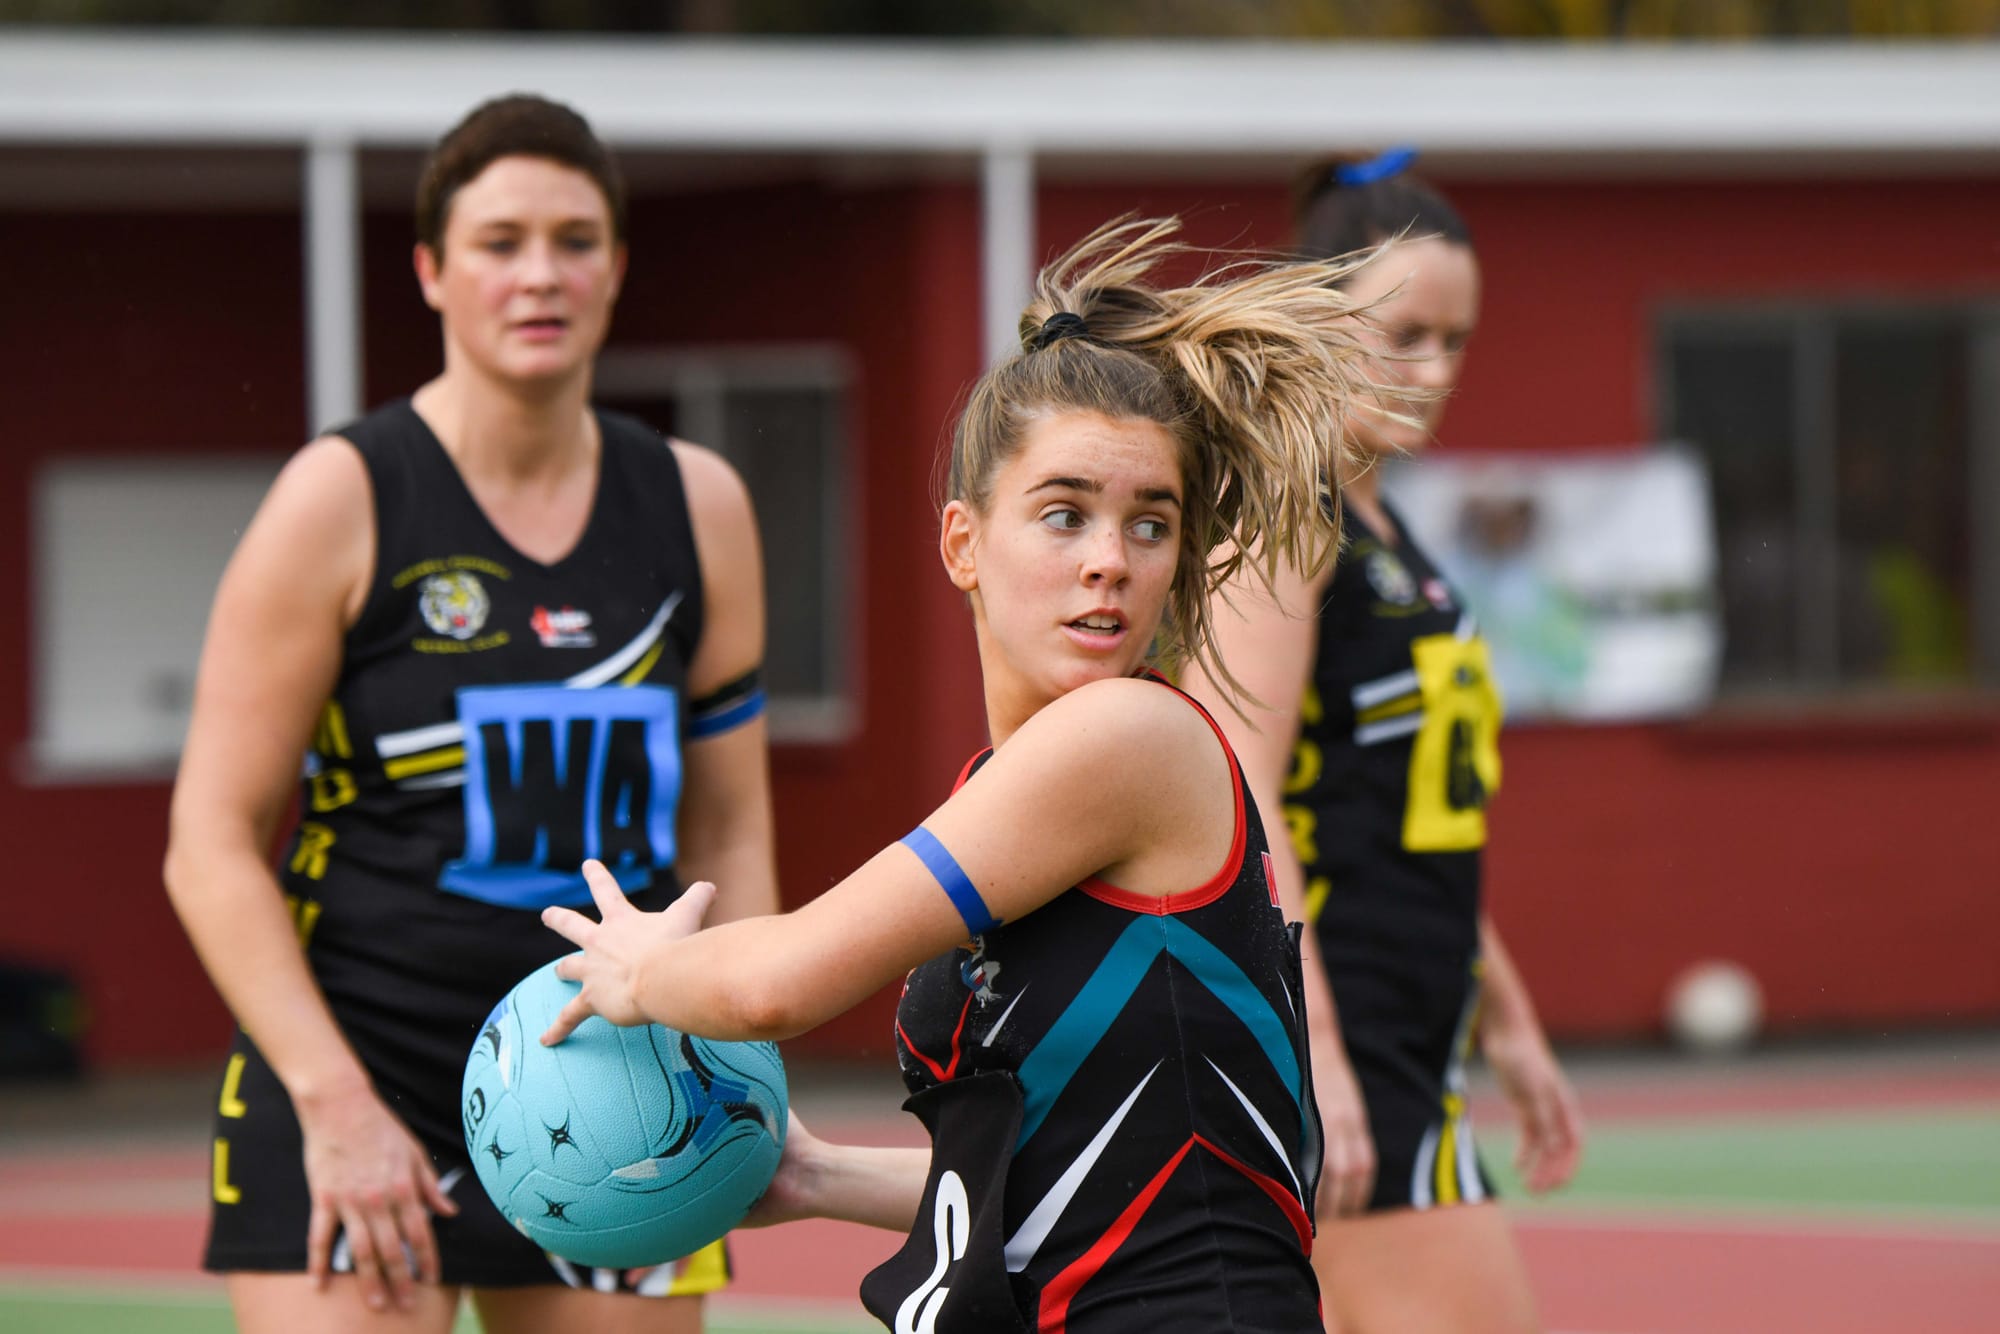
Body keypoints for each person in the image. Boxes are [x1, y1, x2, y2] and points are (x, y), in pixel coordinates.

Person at [538, 217, 1385, 1333]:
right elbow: (1062, 1177)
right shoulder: (1009, 790)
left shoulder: (1128, 741)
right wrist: (811, 1175)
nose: (1106, 558)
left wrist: (644, 973)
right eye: (1063, 511)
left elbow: (772, 984)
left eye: (1150, 522)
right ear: (960, 543)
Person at [163, 93, 777, 1334]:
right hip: (355, 1062)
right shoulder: (341, 496)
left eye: (574, 238)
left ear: (615, 265)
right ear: (433, 272)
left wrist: (737, 1061)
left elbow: (726, 835)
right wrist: (331, 1102)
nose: (539, 274)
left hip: (625, 1072)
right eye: (500, 242)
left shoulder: (697, 501)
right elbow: (210, 843)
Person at [1184, 152, 1586, 1334]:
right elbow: (1243, 797)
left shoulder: (1382, 517)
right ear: (1316, 322)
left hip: (1415, 1029)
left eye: (1456, 340)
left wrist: (1503, 1019)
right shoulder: (1284, 518)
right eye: (1403, 334)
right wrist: (1320, 1055)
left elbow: (1411, 802)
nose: (1434, 370)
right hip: (1339, 1024)